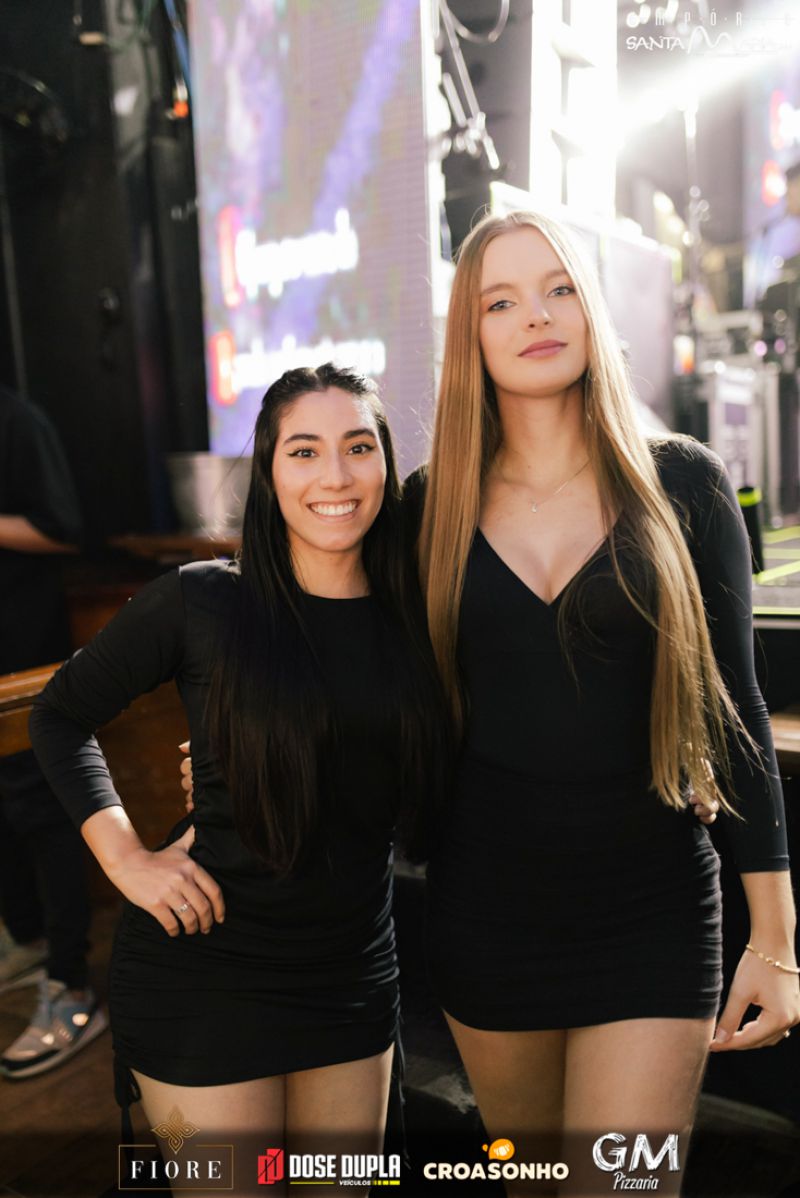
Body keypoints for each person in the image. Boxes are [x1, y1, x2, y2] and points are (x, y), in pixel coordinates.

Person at [409, 210, 800, 1196]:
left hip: (651, 911)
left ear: (591, 307)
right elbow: (356, 681)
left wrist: (777, 939)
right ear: (469, 335)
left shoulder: (684, 483)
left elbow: (738, 714)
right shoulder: (426, 505)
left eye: (558, 289)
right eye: (501, 301)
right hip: (486, 914)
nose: (536, 316)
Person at [29, 364, 448, 1197]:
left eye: (358, 447)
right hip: (204, 976)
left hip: (351, 975)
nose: (335, 476)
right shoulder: (203, 602)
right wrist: (125, 858)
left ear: (385, 464)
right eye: (305, 451)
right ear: (269, 471)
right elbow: (59, 714)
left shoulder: (417, 615)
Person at [0, 383, 105, 1079]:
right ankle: (29, 944)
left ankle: (70, 984)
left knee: (44, 811)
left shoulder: (17, 420)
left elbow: (64, 529)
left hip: (25, 658)